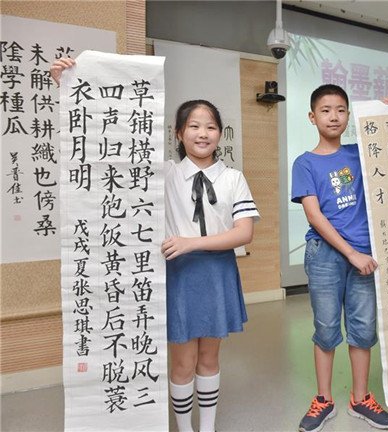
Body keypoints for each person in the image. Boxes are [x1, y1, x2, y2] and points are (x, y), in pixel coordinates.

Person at [51, 60, 260, 432]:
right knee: (183, 362)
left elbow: (244, 233)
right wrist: (67, 88)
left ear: (220, 133)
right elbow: (104, 147)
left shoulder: (233, 178)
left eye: (211, 126)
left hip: (217, 273)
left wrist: (192, 243)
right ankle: (184, 428)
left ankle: (207, 428)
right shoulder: (162, 174)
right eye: (193, 126)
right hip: (178, 276)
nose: (203, 133)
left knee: (209, 358)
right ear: (178, 133)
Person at [291, 85, 388, 432]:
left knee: (362, 329)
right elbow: (314, 215)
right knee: (326, 328)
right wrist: (350, 253)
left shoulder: (359, 153)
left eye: (340, 110)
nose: (333, 116)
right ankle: (324, 400)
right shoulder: (305, 163)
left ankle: (360, 398)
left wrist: (387, 112)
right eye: (325, 110)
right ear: (312, 117)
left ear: (349, 115)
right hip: (326, 255)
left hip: (365, 255)